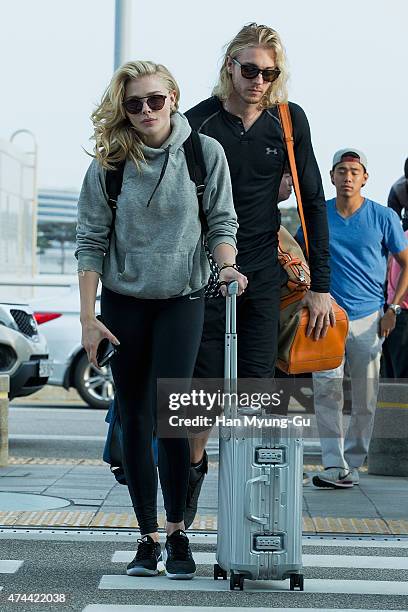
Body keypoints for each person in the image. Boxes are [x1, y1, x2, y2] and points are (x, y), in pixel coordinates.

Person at [75, 60, 247, 579]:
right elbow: (90, 242)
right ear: (123, 110)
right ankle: (146, 537)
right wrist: (88, 318)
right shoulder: (110, 163)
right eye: (133, 104)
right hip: (124, 301)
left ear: (173, 96)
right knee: (133, 417)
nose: (146, 111)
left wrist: (228, 265)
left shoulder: (203, 153)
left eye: (154, 99)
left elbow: (220, 219)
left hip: (184, 298)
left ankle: (178, 534)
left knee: (175, 418)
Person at [183, 23, 333, 528]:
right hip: (204, 277)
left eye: (269, 73)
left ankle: (259, 518)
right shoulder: (196, 123)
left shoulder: (288, 122)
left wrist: (321, 288)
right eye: (250, 70)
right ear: (230, 67)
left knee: (263, 396)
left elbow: (313, 202)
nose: (259, 82)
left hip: (265, 274)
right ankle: (184, 510)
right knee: (198, 399)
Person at [304, 149, 408, 489]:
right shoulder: (317, 217)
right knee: (326, 391)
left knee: (365, 396)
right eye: (341, 171)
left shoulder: (382, 217)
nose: (347, 177)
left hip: (368, 319)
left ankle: (355, 459)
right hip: (326, 318)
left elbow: (405, 262)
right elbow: (302, 264)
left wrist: (392, 308)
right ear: (331, 177)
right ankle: (335, 464)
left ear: (365, 178)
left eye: (354, 171)